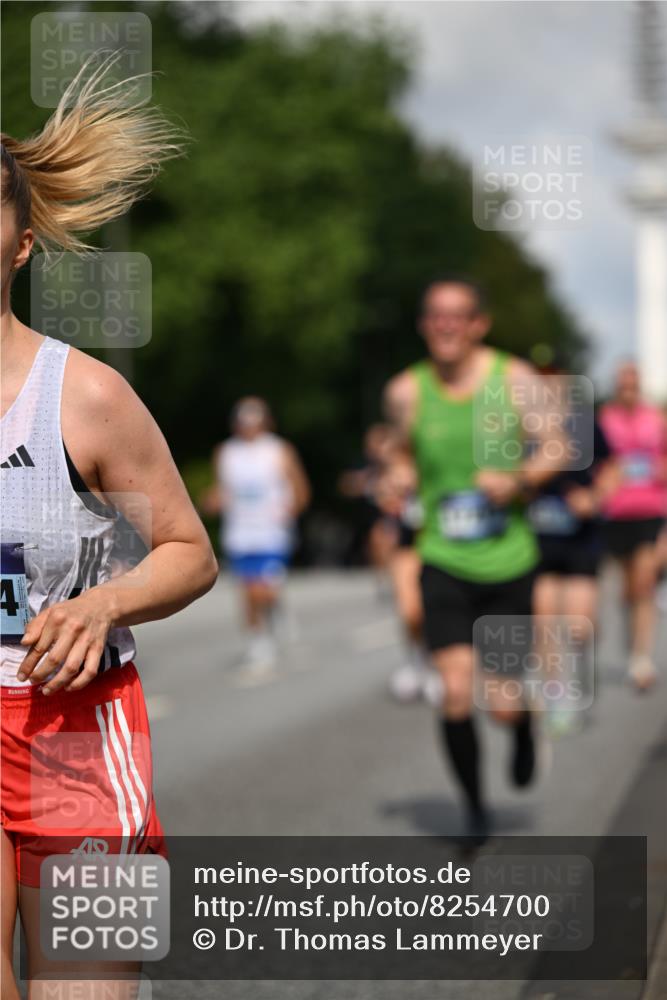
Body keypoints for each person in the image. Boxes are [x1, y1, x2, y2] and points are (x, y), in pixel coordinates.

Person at [1, 59, 218, 997]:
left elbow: (186, 552)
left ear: (19, 245)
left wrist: (102, 606)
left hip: (75, 735)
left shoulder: (83, 398)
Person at [384, 275, 563, 842]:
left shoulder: (513, 379)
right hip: (442, 557)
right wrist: (398, 476)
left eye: (458, 315)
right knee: (456, 688)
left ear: (479, 323)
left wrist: (517, 479)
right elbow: (401, 451)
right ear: (424, 325)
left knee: (502, 700)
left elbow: (558, 444)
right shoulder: (406, 391)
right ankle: (475, 809)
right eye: (436, 315)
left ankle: (525, 727)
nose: (446, 326)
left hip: (508, 560)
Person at [527, 363, 614, 735]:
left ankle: (577, 672)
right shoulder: (519, 425)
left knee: (580, 624)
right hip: (537, 540)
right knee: (544, 621)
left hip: (580, 538)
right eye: (540, 377)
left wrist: (593, 497)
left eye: (553, 376)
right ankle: (557, 694)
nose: (548, 384)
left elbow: (613, 467)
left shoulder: (585, 423)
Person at [205, 397, 310, 672]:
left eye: (254, 421)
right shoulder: (226, 453)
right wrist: (212, 501)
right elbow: (221, 490)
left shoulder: (279, 450)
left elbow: (301, 489)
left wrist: (291, 509)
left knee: (265, 590)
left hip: (272, 532)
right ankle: (259, 642)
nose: (249, 427)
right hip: (240, 532)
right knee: (248, 591)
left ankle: (275, 611)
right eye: (243, 421)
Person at [599, 362, 667, 690]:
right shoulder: (603, 420)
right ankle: (631, 646)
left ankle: (642, 659)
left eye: (633, 385)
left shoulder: (656, 419)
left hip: (651, 509)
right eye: (622, 385)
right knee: (628, 588)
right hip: (616, 512)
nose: (628, 390)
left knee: (644, 582)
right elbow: (594, 464)